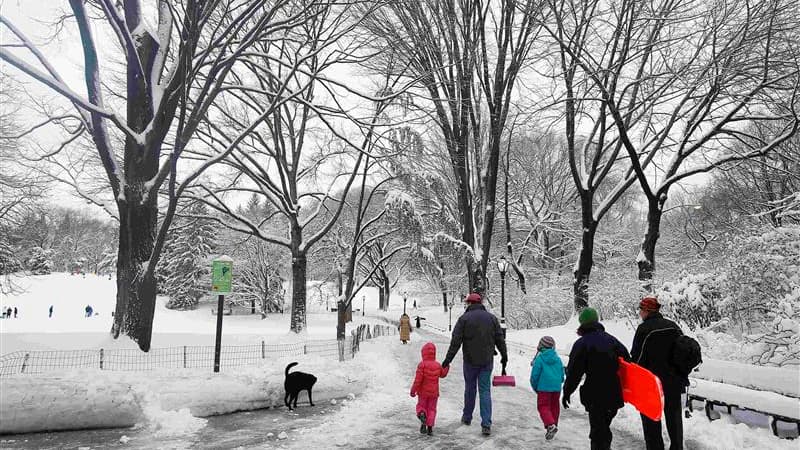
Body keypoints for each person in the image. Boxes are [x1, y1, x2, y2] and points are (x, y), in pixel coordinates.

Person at [563, 307, 630, 450]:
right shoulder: (612, 340)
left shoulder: (582, 344)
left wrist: (567, 391)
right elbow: (628, 361)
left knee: (598, 433)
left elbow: (574, 372)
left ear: (582, 323)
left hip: (595, 396)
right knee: (603, 429)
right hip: (614, 394)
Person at [441, 292, 508, 436]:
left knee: (470, 389)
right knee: (485, 391)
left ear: (470, 303)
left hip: (470, 362)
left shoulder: (463, 319)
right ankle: (486, 424)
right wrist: (504, 356)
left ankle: (467, 418)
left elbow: (455, 342)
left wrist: (447, 360)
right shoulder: (492, 318)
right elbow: (500, 339)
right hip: (486, 361)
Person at [631, 296, 687, 450]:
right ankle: (677, 447)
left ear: (646, 311)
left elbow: (637, 358)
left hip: (652, 384)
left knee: (651, 421)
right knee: (674, 418)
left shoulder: (644, 329)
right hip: (675, 381)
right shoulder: (673, 326)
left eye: (641, 310)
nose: (640, 313)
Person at [410, 342, 450, 435]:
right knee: (432, 409)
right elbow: (443, 374)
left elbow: (418, 380)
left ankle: (422, 414)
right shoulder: (437, 365)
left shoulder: (422, 365)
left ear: (423, 353)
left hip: (423, 393)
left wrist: (413, 390)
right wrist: (447, 367)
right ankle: (430, 428)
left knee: (421, 406)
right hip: (434, 393)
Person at [530, 335, 565, 441]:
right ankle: (553, 424)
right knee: (554, 407)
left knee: (543, 406)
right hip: (556, 388)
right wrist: (559, 382)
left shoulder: (540, 359)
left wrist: (536, 387)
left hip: (544, 388)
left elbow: (535, 376)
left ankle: (550, 425)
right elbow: (561, 374)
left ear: (541, 346)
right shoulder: (558, 359)